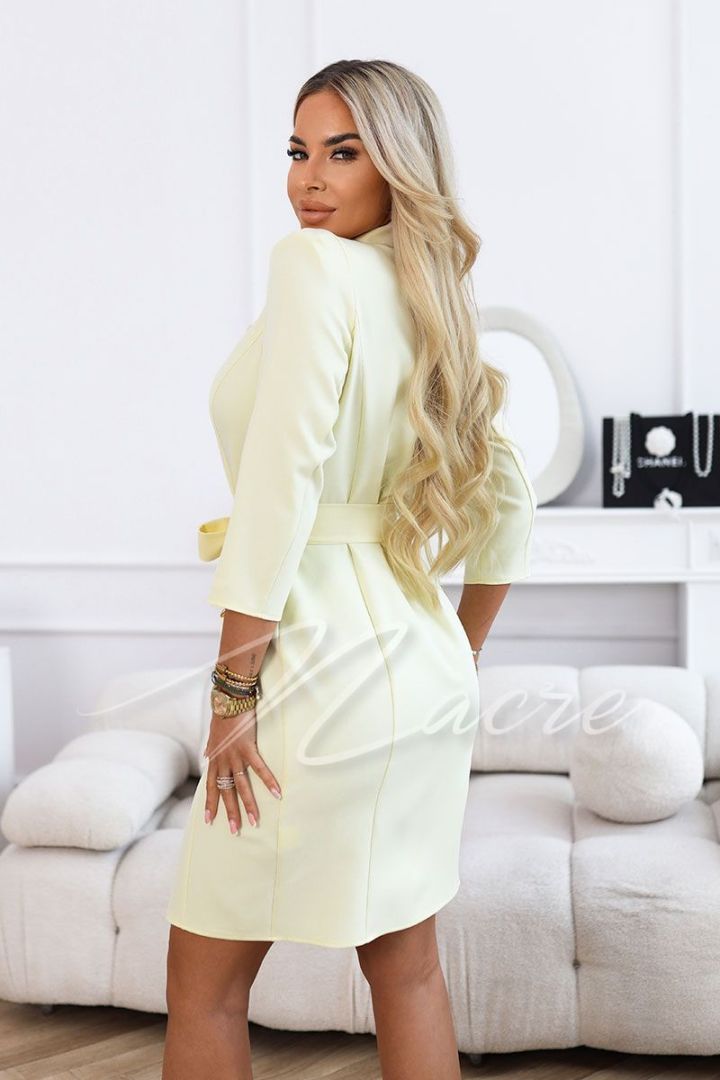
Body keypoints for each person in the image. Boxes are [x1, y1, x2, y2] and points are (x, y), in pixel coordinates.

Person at [162, 58, 536, 1080]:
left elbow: (278, 490)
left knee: (205, 987)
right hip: (417, 664)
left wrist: (233, 694)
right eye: (298, 151)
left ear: (398, 165)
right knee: (408, 972)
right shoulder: (433, 298)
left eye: (343, 152)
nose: (310, 178)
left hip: (312, 674)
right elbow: (511, 508)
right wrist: (457, 652)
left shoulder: (311, 267)